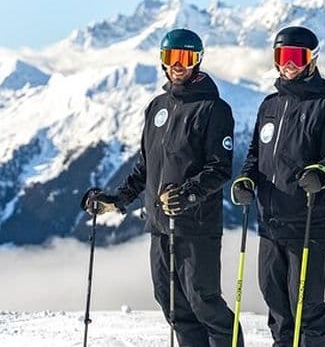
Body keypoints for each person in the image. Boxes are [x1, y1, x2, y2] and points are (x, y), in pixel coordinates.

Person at [81, 28, 243, 347]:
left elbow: (219, 168)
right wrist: (117, 200)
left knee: (204, 303)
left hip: (197, 227)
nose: (177, 65)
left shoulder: (214, 109)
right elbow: (146, 167)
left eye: (185, 58)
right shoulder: (157, 107)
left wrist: (189, 194)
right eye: (171, 57)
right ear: (162, 61)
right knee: (172, 305)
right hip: (159, 226)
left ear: (197, 61)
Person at [231, 26, 325, 347]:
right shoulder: (268, 106)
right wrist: (246, 178)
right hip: (270, 225)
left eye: (297, 57)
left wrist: (322, 172)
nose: (289, 65)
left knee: (307, 310)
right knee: (278, 307)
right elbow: (255, 155)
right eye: (282, 57)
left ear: (311, 60)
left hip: (309, 224)